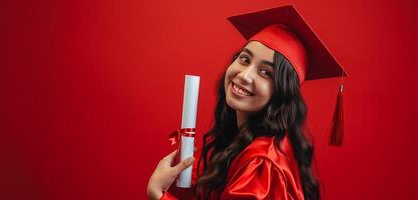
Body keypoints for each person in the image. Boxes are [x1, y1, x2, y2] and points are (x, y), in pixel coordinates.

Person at [147, 5, 347, 200]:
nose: (244, 75)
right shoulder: (245, 140)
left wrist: (158, 194)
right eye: (244, 59)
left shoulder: (262, 163)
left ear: (282, 91)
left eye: (265, 72)